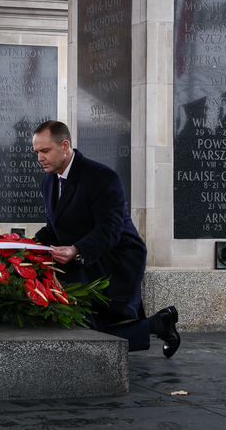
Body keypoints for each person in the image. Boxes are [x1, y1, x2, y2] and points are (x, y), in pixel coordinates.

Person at [31, 120, 180, 357]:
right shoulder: (49, 181)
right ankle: (158, 324)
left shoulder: (101, 176)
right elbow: (54, 226)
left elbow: (111, 228)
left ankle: (157, 324)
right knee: (85, 334)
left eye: (45, 150)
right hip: (80, 259)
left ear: (65, 145)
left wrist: (77, 250)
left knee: (83, 336)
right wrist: (26, 245)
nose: (40, 157)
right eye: (37, 151)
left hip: (115, 259)